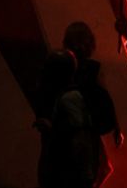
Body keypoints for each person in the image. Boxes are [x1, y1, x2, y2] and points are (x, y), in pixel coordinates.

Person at [62, 22, 122, 188]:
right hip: (89, 127)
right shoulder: (94, 68)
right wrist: (116, 126)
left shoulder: (63, 66)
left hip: (70, 127)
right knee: (101, 168)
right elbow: (105, 97)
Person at [33, 50, 99, 188]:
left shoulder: (69, 99)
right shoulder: (67, 96)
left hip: (67, 176)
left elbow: (81, 140)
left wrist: (52, 130)